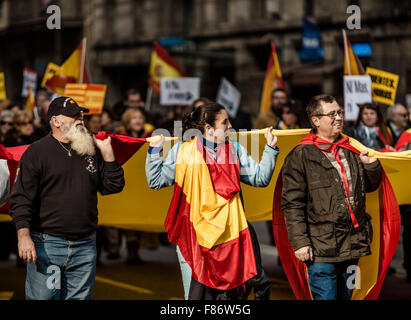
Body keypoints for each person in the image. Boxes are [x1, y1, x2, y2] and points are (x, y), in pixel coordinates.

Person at [146, 102, 279, 300]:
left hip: (228, 242)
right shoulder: (182, 150)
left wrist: (270, 148)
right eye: (225, 122)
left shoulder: (235, 149)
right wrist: (154, 151)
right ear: (208, 128)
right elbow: (155, 181)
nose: (231, 126)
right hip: (193, 242)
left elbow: (260, 178)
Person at [10, 96, 125, 300]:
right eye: (73, 116)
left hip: (85, 244)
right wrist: (23, 236)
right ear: (56, 121)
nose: (80, 119)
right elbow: (21, 198)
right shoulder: (36, 152)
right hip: (47, 244)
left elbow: (112, 187)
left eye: (81, 115)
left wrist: (108, 155)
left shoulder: (89, 149)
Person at [281, 94, 382, 300]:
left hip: (354, 245)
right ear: (316, 121)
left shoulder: (352, 148)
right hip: (321, 248)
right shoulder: (300, 155)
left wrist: (372, 167)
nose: (338, 117)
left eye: (339, 112)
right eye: (332, 114)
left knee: (347, 297)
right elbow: (292, 204)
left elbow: (369, 188)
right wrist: (300, 243)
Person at [119, 107, 156, 264]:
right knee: (128, 219)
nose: (138, 121)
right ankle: (131, 252)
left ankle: (136, 250)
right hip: (128, 185)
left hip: (143, 184)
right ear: (128, 121)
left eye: (140, 117)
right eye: (134, 118)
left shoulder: (152, 137)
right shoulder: (121, 137)